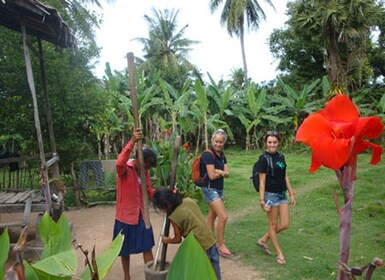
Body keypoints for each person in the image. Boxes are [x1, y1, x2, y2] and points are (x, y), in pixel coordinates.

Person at [112, 128, 158, 280]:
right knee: (124, 250)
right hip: (124, 216)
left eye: (148, 169)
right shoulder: (125, 169)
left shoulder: (145, 173)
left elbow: (150, 192)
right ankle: (127, 276)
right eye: (145, 166)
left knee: (147, 246)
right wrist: (132, 141)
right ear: (138, 159)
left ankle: (151, 276)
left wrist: (167, 195)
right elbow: (119, 162)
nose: (146, 170)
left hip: (142, 215)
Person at [152, 187, 222, 280]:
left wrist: (167, 240)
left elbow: (177, 239)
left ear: (167, 205)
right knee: (214, 274)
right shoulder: (188, 200)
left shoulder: (174, 217)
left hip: (200, 246)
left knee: (203, 274)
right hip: (211, 240)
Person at [255, 131, 296, 265]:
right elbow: (262, 182)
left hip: (281, 194)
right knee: (272, 225)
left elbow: (285, 176)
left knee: (284, 224)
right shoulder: (263, 159)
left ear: (278, 143)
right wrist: (262, 201)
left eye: (274, 142)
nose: (272, 144)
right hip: (270, 196)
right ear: (266, 143)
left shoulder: (281, 156)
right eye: (269, 142)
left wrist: (291, 193)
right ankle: (279, 254)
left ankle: (263, 239)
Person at [200, 129, 231, 258]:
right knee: (223, 217)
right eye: (216, 141)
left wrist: (221, 172)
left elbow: (227, 173)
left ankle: (208, 243)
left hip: (219, 189)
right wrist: (220, 172)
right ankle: (220, 244)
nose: (218, 144)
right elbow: (212, 176)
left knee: (212, 217)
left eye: (221, 142)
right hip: (209, 189)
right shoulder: (208, 155)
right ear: (212, 141)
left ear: (223, 143)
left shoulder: (222, 155)